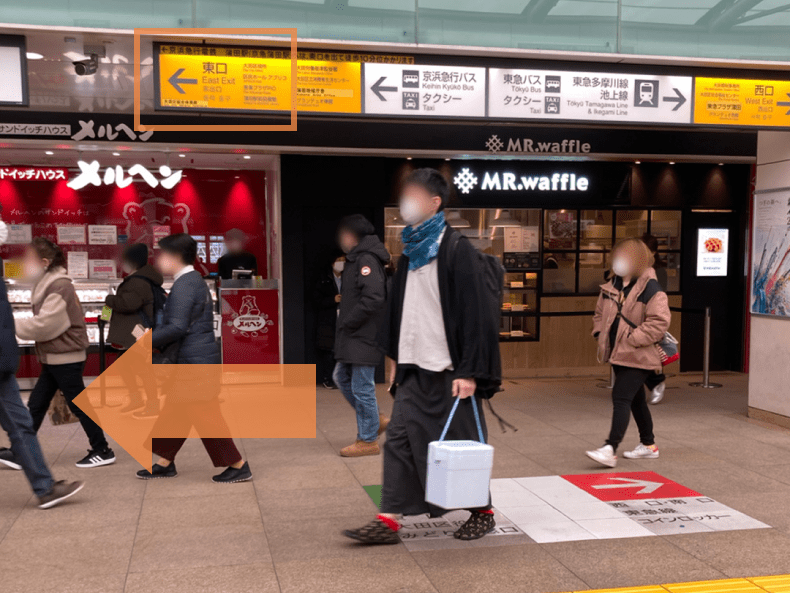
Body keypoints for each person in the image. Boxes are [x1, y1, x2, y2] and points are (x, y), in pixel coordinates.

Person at [343, 168, 502, 544]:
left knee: (459, 442)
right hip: (415, 367)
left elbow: (477, 315)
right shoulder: (411, 250)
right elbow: (406, 310)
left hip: (451, 370)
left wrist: (469, 370)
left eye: (414, 196)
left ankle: (483, 510)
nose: (406, 203)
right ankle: (389, 520)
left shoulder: (458, 251)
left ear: (434, 203)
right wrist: (398, 358)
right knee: (398, 439)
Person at [136, 233, 252, 483]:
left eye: (162, 254)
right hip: (195, 359)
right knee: (176, 410)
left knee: (205, 414)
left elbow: (177, 326)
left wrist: (146, 339)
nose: (158, 259)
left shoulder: (185, 284)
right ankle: (165, 463)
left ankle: (237, 464)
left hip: (193, 363)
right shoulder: (192, 280)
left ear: (175, 257)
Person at [15, 238, 115, 468]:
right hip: (57, 355)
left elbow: (46, 324)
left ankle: (103, 449)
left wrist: (10, 327)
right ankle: (21, 451)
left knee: (77, 403)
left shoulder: (60, 286)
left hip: (66, 355)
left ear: (44, 262)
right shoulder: (48, 284)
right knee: (38, 403)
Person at [0, 257, 85, 508]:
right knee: (24, 422)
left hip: (4, 365)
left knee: (23, 424)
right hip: (7, 362)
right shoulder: (56, 285)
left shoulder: (56, 285)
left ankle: (45, 488)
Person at [587, 238, 671, 468]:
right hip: (616, 353)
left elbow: (659, 322)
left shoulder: (651, 289)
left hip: (639, 355)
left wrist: (633, 339)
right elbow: (598, 314)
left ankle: (610, 448)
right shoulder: (611, 286)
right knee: (636, 401)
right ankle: (649, 445)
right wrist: (599, 333)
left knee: (621, 397)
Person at [332, 215, 390, 457]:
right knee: (341, 376)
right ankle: (374, 420)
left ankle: (367, 440)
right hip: (355, 333)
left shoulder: (366, 259)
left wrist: (349, 320)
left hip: (363, 333)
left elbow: (374, 297)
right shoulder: (356, 259)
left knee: (361, 385)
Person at [105, 243, 163, 416]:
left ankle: (152, 405)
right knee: (125, 366)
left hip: (137, 331)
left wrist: (110, 299)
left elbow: (129, 303)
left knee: (143, 369)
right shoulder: (143, 277)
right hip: (136, 330)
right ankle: (136, 398)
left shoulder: (137, 281)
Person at [641, 233, 668, 404]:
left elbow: (659, 297)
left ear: (654, 252)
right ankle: (652, 382)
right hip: (635, 316)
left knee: (648, 354)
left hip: (652, 317)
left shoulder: (659, 272)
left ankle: (656, 382)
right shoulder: (637, 269)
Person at [313, 253, 344, 389]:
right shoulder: (324, 278)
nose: (342, 263)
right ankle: (328, 378)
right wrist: (333, 299)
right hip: (328, 318)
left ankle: (341, 379)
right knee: (329, 350)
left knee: (343, 350)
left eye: (344, 261)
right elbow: (315, 299)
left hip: (345, 318)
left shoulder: (349, 278)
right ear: (333, 263)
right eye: (339, 260)